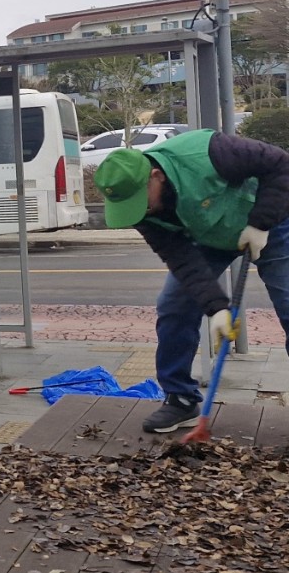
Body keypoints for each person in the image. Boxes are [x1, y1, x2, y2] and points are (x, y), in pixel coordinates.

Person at [94, 129, 289, 434]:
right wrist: (217, 308)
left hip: (273, 223)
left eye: (140, 202)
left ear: (155, 176)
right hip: (210, 237)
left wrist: (260, 222)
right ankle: (180, 399)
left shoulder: (208, 153)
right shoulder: (142, 211)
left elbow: (280, 164)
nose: (140, 212)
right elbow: (182, 259)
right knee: (174, 305)